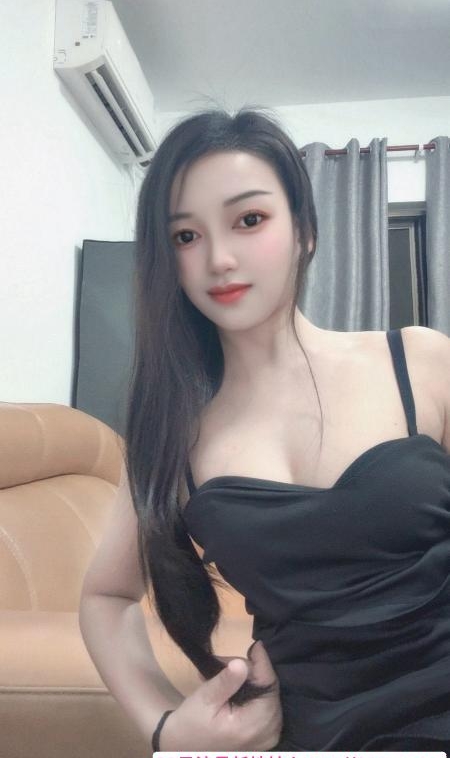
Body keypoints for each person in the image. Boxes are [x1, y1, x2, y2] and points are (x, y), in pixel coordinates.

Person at [79, 106, 450, 752]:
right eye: (185, 236)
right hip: (309, 737)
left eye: (249, 220)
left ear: (304, 230)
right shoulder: (174, 439)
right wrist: (166, 728)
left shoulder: (419, 362)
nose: (219, 259)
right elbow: (105, 598)